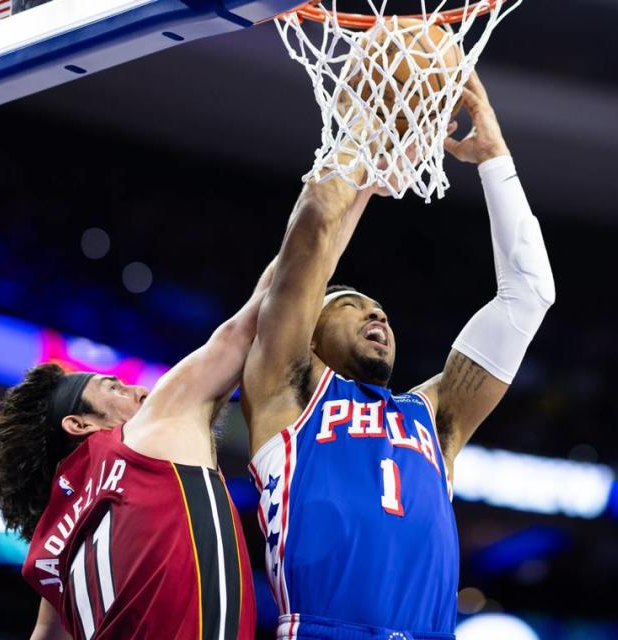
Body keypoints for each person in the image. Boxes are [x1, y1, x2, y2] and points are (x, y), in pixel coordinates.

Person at [241, 73, 556, 639]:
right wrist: (364, 124)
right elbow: (314, 224)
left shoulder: (433, 418)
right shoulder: (286, 392)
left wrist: (494, 158)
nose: (377, 315)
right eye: (352, 304)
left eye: (381, 309)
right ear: (307, 332)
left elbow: (530, 294)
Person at [0, 262, 279, 640]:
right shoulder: (131, 443)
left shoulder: (54, 547)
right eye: (114, 388)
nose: (140, 391)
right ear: (80, 424)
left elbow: (45, 632)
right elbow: (244, 329)